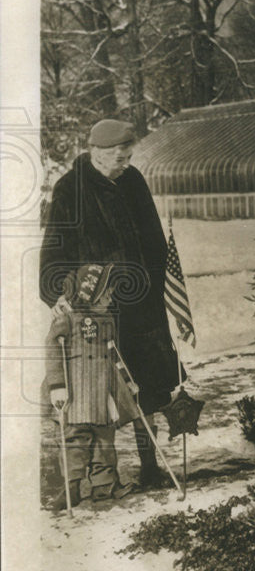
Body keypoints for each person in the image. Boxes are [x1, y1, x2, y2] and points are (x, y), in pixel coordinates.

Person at [40, 119, 180, 489]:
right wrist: (58, 291)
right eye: (118, 157)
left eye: (128, 155)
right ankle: (98, 476)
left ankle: (151, 467)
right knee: (98, 392)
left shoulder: (133, 181)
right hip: (98, 309)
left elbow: (151, 235)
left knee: (148, 382)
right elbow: (54, 251)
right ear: (96, 154)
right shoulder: (70, 189)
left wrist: (157, 277)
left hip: (142, 302)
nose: (124, 163)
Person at [44, 264, 139, 509]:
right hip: (75, 391)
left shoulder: (107, 320)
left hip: (102, 389)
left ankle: (104, 486)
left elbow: (113, 353)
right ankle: (71, 488)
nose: (110, 298)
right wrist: (57, 385)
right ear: (90, 293)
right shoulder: (67, 318)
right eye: (106, 293)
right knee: (75, 438)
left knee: (104, 439)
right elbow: (53, 351)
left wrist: (127, 381)